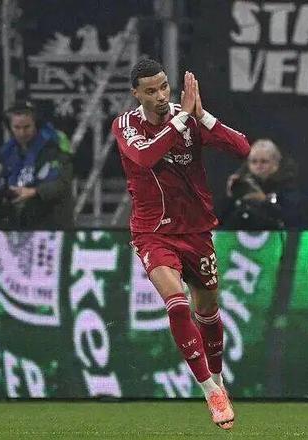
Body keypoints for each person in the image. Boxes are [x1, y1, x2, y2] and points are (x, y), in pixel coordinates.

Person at [111, 58, 250, 430]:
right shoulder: (125, 125)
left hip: (196, 232)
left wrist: (201, 116)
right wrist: (182, 118)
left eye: (164, 87)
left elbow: (242, 148)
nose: (160, 96)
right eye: (151, 91)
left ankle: (218, 379)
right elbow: (145, 157)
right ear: (136, 94)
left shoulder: (187, 116)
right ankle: (210, 391)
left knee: (208, 311)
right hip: (153, 232)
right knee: (176, 303)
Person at [0, 102, 73, 229]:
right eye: (17, 127)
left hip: (52, 223)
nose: (22, 133)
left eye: (27, 127)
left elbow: (62, 183)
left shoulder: (54, 145)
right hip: (19, 225)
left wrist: (35, 192)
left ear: (35, 124)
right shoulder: (6, 152)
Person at [223, 139, 302, 229]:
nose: (258, 166)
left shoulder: (286, 186)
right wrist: (230, 196)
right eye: (254, 161)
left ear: (275, 165)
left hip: (275, 234)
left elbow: (293, 219)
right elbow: (220, 221)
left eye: (264, 161)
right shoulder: (243, 185)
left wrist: (264, 201)